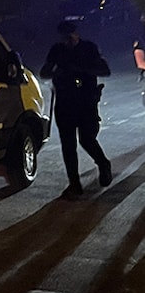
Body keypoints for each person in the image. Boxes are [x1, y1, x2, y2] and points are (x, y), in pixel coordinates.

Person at [39, 20, 112, 199]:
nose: (68, 39)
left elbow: (105, 70)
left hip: (86, 102)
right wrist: (58, 72)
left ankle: (103, 164)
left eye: (71, 35)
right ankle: (74, 183)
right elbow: (44, 72)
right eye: (65, 36)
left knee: (87, 140)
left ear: (77, 33)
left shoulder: (89, 48)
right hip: (65, 103)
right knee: (68, 145)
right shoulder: (57, 50)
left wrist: (82, 70)